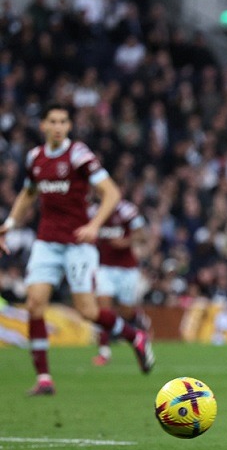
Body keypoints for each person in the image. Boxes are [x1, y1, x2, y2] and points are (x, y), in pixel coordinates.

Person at [0, 102, 155, 395]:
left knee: (88, 311)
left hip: (77, 244)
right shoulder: (35, 157)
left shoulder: (78, 155)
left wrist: (94, 225)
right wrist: (9, 223)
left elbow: (111, 193)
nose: (58, 127)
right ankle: (44, 379)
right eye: (53, 121)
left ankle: (135, 336)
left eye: (63, 122)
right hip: (47, 242)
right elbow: (28, 194)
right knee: (34, 304)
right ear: (43, 126)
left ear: (69, 126)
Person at [91, 198, 151, 366]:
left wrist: (125, 242)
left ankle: (138, 319)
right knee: (104, 310)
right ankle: (104, 352)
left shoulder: (126, 210)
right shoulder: (94, 210)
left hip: (127, 269)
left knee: (126, 312)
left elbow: (142, 234)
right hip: (104, 267)